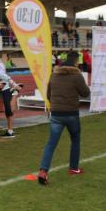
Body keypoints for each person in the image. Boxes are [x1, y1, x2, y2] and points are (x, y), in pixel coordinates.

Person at [37, 52, 90, 185]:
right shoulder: (77, 75)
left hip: (56, 115)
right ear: (76, 62)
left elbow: (49, 95)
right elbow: (85, 93)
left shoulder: (54, 75)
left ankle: (43, 171)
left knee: (51, 144)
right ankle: (74, 168)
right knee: (75, 140)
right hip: (71, 113)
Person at [0, 38, 22, 138]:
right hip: (3, 88)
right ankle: (9, 131)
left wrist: (15, 85)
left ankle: (8, 132)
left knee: (6, 110)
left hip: (3, 88)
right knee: (7, 110)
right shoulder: (0, 63)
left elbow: (7, 77)